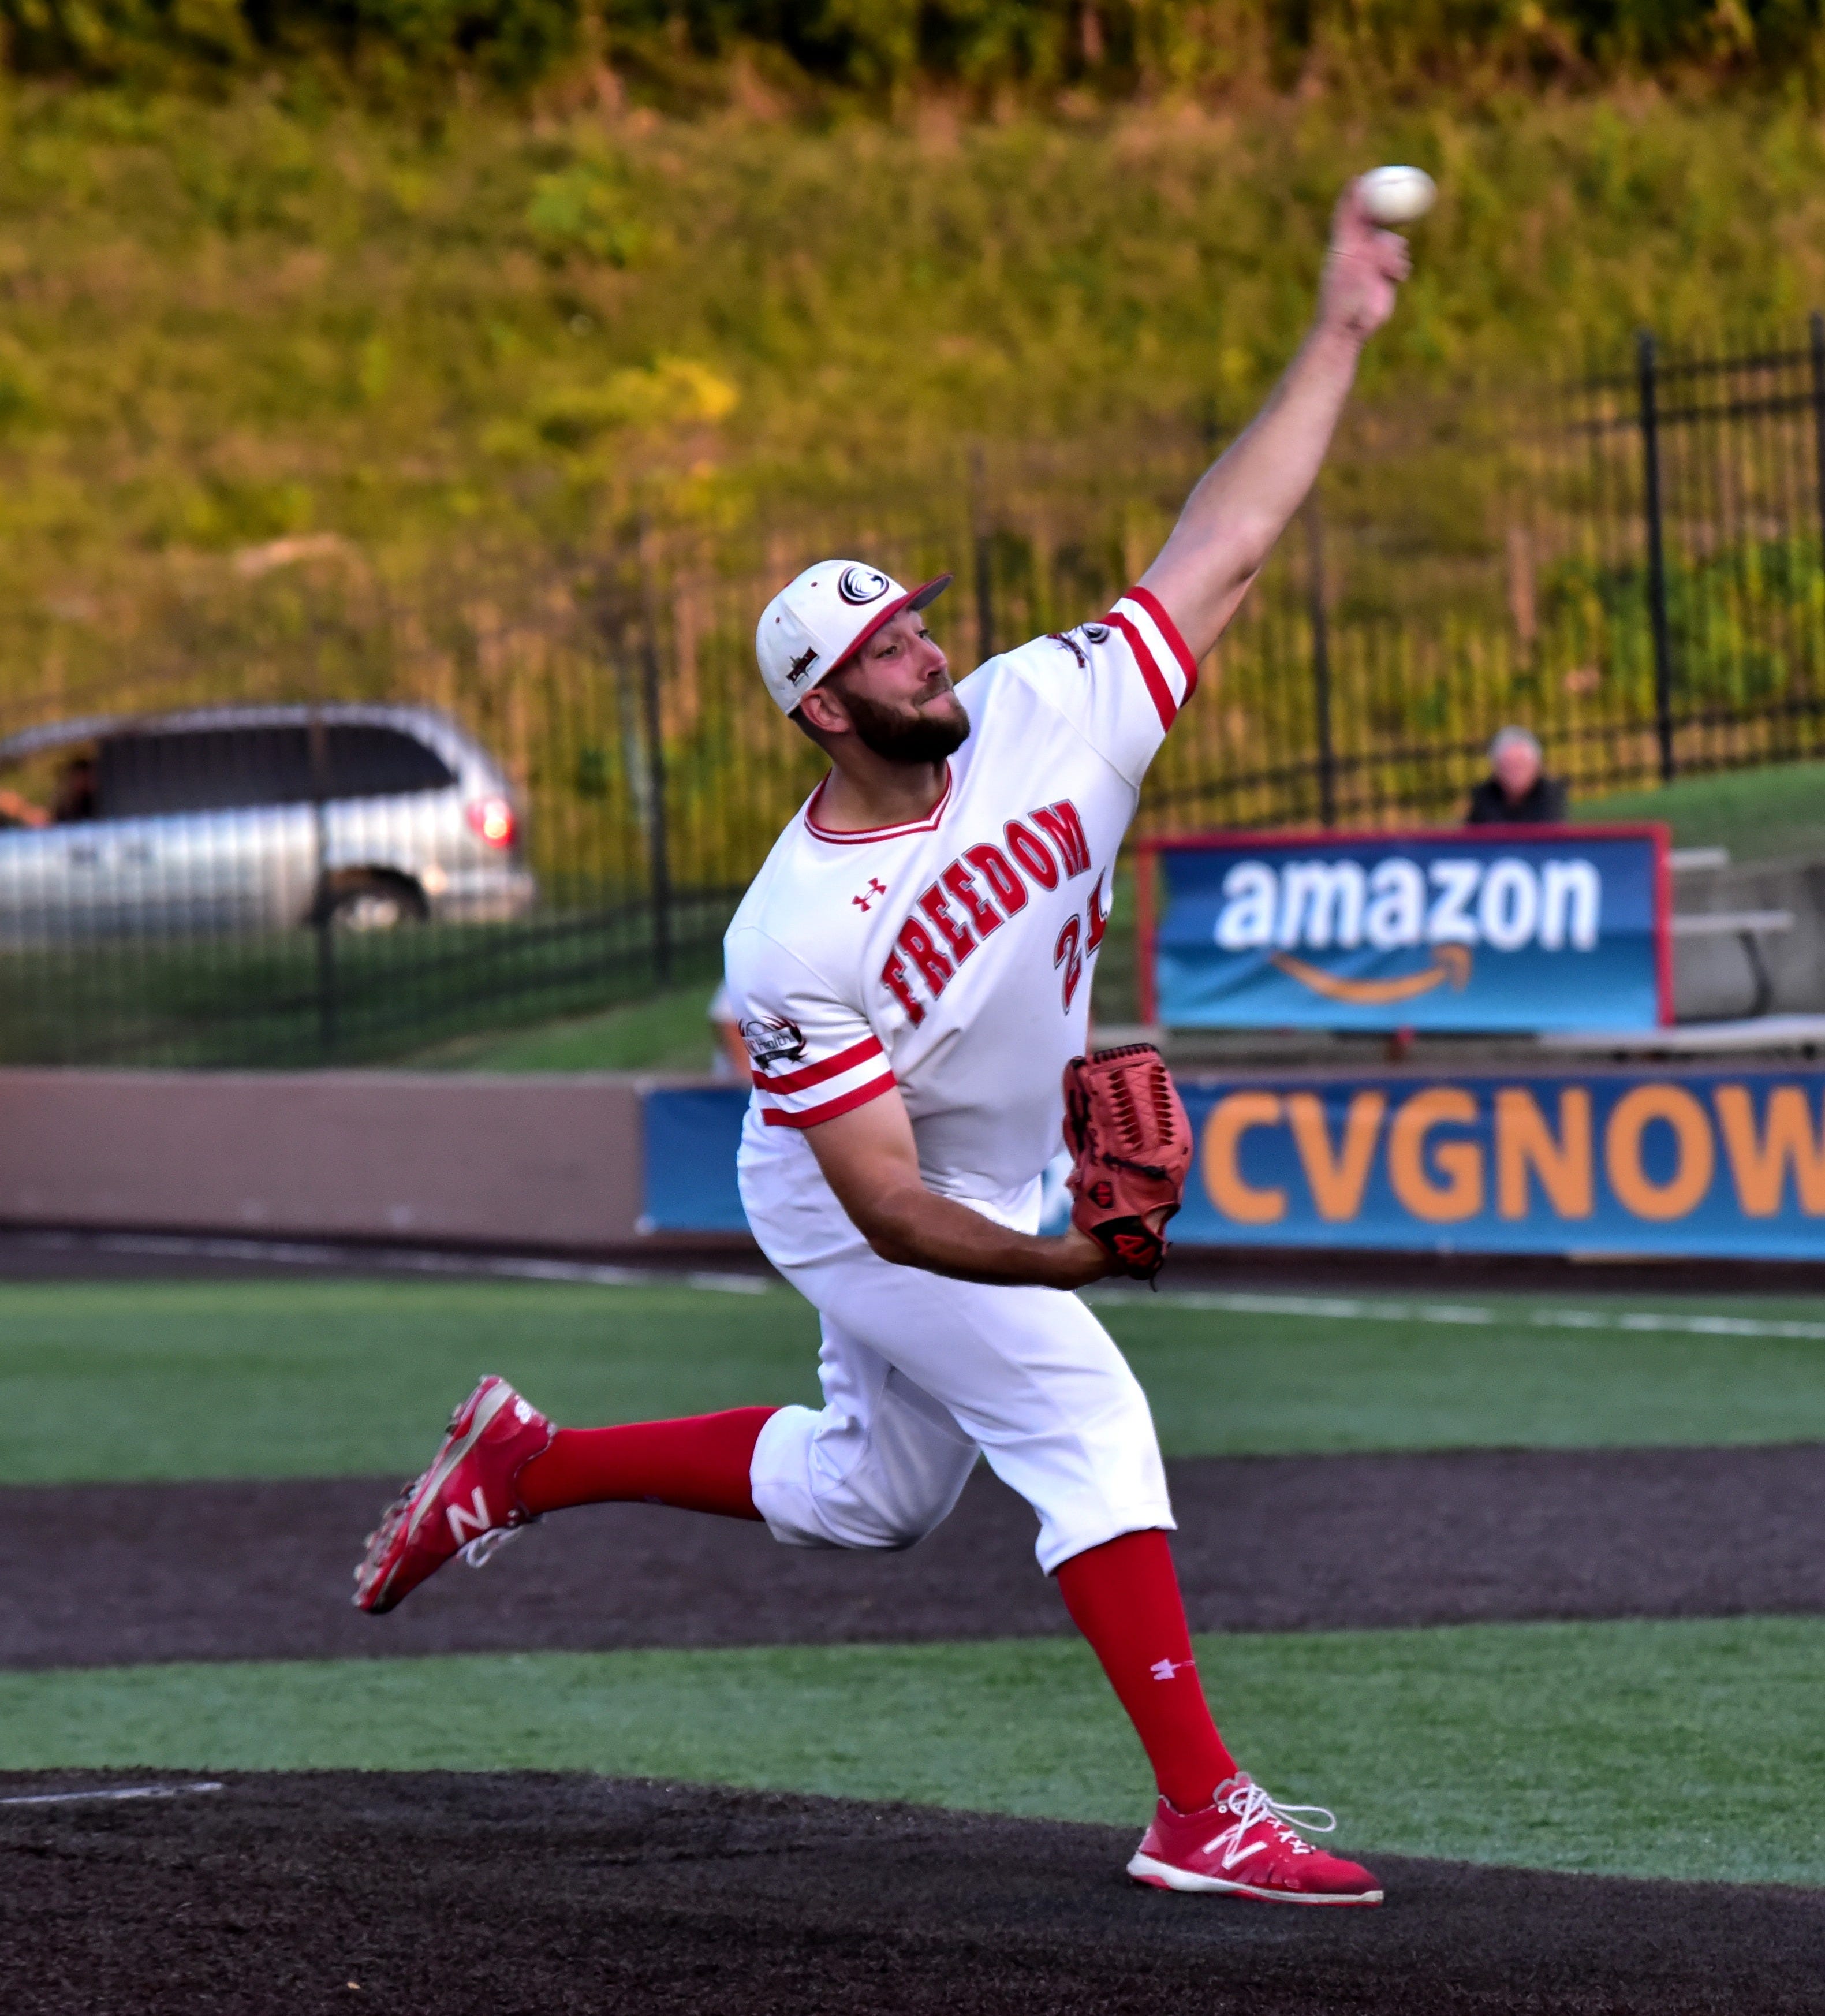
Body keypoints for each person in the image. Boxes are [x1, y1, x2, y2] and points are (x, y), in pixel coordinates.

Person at [354, 180, 1411, 1907]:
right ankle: (1199, 1808)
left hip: (989, 1163)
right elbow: (896, 1210)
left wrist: (1339, 329)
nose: (927, 648)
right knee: (1084, 1414)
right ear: (824, 711)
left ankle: (529, 1462)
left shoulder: (1045, 712)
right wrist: (1072, 1255)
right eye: (885, 648)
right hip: (862, 1194)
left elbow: (1221, 545)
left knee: (875, 1495)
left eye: (917, 619)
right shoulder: (788, 935)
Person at [1465, 726, 1565, 825]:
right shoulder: (1481, 800)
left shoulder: (1555, 799)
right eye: (1508, 766)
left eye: (1521, 765)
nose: (1515, 773)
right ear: (1496, 769)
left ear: (1536, 766)